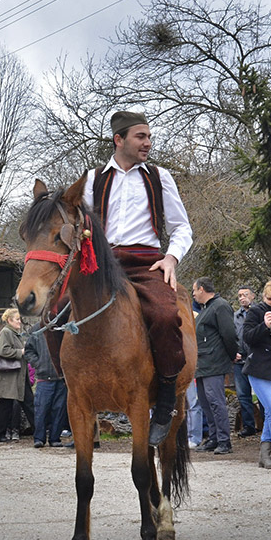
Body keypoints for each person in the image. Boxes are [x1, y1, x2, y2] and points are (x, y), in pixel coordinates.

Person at [82, 111, 193, 447]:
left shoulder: (160, 177)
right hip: (103, 263)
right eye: (140, 136)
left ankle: (164, 400)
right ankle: (74, 385)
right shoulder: (93, 178)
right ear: (119, 140)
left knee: (163, 314)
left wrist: (171, 258)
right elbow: (79, 225)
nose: (148, 142)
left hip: (147, 263)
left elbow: (181, 227)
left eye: (148, 136)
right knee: (56, 311)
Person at [242, 280, 271, 468]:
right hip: (260, 369)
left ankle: (265, 453)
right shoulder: (255, 312)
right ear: (263, 297)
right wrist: (264, 326)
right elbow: (247, 338)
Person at [192, 277, 239, 454]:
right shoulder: (206, 309)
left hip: (215, 364)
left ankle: (224, 441)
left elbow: (228, 334)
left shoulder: (220, 306)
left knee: (216, 402)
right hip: (202, 364)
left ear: (202, 289)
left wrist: (233, 354)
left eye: (195, 290)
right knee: (205, 402)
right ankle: (213, 438)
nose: (194, 294)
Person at [0, 309, 32, 442]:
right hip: (8, 377)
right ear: (9, 320)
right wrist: (21, 352)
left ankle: (39, 430)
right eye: (17, 319)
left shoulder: (14, 333)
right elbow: (3, 350)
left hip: (17, 375)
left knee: (29, 403)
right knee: (5, 404)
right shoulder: (6, 333)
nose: (20, 321)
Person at [24, 323, 69, 448]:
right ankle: (39, 438)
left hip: (61, 377)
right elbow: (28, 351)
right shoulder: (37, 329)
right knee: (41, 409)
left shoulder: (63, 327)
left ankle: (55, 438)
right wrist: (37, 364)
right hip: (44, 377)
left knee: (59, 410)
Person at [234, 285, 258, 437]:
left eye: (245, 294)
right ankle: (248, 426)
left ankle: (266, 424)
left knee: (262, 394)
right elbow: (231, 335)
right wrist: (233, 352)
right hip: (239, 359)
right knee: (243, 395)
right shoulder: (235, 316)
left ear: (253, 296)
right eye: (240, 296)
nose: (242, 298)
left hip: (257, 359)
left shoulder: (259, 312)